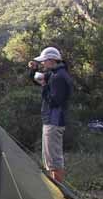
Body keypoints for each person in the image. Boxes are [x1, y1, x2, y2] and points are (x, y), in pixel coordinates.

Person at [28, 46, 73, 183]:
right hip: (51, 120)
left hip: (54, 121)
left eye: (44, 61)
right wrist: (33, 70)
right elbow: (38, 80)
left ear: (52, 60)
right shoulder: (55, 73)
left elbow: (55, 101)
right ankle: (57, 188)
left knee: (54, 160)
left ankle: (60, 192)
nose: (42, 63)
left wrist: (44, 87)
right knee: (50, 158)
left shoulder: (58, 77)